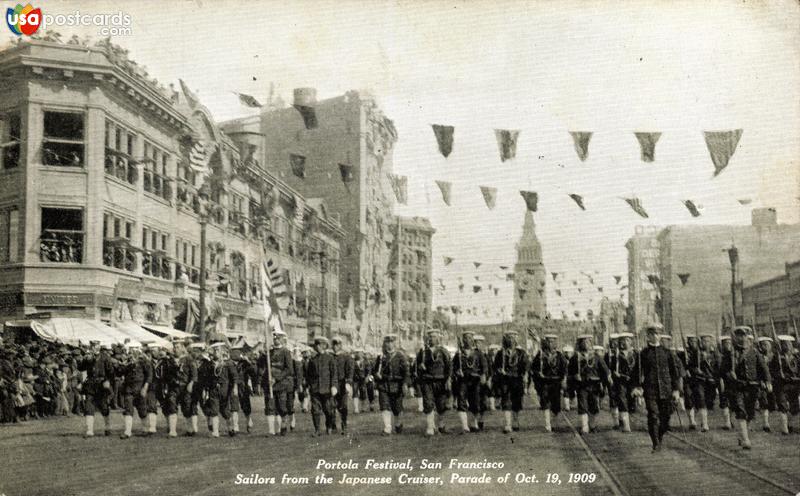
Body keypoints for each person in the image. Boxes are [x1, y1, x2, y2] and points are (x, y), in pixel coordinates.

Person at [720, 326, 771, 449]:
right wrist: (729, 375)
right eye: (739, 336)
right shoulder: (730, 354)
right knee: (741, 411)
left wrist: (767, 381)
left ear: (748, 337)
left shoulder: (754, 352)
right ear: (735, 337)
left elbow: (764, 368)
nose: (742, 338)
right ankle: (745, 439)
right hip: (737, 387)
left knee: (750, 413)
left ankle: (742, 434)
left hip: (752, 387)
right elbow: (721, 371)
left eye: (744, 336)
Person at [637, 324, 681, 452]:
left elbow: (674, 373)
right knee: (653, 416)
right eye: (652, 334)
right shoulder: (643, 354)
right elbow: (637, 373)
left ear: (660, 335)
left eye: (657, 334)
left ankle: (659, 436)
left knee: (665, 418)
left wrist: (676, 390)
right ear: (648, 336)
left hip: (666, 390)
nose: (655, 336)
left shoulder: (667, 353)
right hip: (650, 390)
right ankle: (655, 443)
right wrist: (637, 387)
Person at [569, 335, 611, 434]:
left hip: (594, 385)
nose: (586, 344)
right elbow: (569, 372)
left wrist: (608, 377)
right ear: (580, 344)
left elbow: (605, 369)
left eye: (588, 342)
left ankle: (592, 425)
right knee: (583, 405)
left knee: (594, 406)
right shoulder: (575, 358)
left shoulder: (596, 357)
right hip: (582, 385)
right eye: (584, 342)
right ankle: (584, 427)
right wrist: (574, 376)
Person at [258, 329, 295, 436]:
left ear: (282, 339)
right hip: (269, 383)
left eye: (278, 338)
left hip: (281, 384)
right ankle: (271, 430)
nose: (275, 340)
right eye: (274, 337)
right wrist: (263, 353)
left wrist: (277, 378)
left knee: (281, 407)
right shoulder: (269, 353)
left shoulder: (286, 352)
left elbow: (289, 370)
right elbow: (261, 365)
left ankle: (281, 427)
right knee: (270, 407)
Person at [416, 329, 452, 436]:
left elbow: (449, 366)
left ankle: (441, 426)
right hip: (427, 381)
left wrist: (448, 379)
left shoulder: (443, 351)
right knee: (428, 403)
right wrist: (420, 367)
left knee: (441, 405)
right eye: (430, 337)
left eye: (435, 337)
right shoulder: (423, 352)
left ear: (438, 338)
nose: (432, 339)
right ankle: (430, 427)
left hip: (440, 381)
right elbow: (416, 368)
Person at [452, 331, 488, 434]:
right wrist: (457, 372)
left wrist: (483, 375)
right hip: (463, 381)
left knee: (475, 402)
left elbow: (484, 366)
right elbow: (453, 367)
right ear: (463, 340)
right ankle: (464, 426)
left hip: (475, 380)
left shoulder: (478, 353)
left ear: (473, 340)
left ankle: (474, 423)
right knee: (462, 401)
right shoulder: (459, 354)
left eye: (470, 338)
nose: (468, 340)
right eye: (466, 338)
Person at [530, 334, 568, 433]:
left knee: (556, 407)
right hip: (545, 382)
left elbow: (564, 369)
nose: (550, 344)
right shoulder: (540, 355)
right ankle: (547, 424)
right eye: (549, 341)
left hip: (556, 382)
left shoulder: (559, 355)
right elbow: (533, 368)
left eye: (552, 341)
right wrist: (538, 374)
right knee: (545, 403)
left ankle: (553, 421)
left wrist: (563, 379)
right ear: (546, 343)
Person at [494, 330, 529, 433]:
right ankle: (508, 424)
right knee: (506, 401)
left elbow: (526, 365)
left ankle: (515, 420)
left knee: (517, 402)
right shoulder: (501, 353)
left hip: (517, 380)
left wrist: (525, 375)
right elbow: (496, 366)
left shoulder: (521, 353)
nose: (511, 340)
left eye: (514, 337)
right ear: (506, 339)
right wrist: (500, 370)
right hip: (505, 380)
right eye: (509, 337)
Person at [374, 334, 409, 436]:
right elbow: (375, 371)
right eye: (387, 342)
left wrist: (405, 384)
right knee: (384, 405)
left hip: (396, 385)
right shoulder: (380, 357)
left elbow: (406, 372)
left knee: (397, 408)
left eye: (391, 342)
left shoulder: (400, 356)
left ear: (395, 343)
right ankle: (387, 428)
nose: (389, 345)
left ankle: (398, 424)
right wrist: (377, 375)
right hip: (384, 385)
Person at [79, 342, 115, 437]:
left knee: (104, 407)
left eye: (96, 345)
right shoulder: (88, 356)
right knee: (88, 407)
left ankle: (107, 427)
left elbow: (111, 371)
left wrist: (107, 381)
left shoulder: (105, 357)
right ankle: (89, 430)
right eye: (93, 346)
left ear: (99, 346)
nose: (94, 347)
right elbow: (81, 368)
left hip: (101, 384)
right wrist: (84, 360)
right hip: (90, 384)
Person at [119, 342, 152, 439]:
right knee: (128, 409)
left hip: (140, 388)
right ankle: (127, 431)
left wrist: (145, 388)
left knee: (142, 410)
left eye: (134, 349)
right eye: (130, 349)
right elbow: (120, 372)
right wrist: (124, 364)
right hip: (129, 388)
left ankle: (145, 429)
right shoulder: (128, 361)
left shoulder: (144, 361)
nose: (132, 351)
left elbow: (149, 375)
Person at [305, 336, 337, 436]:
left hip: (327, 389)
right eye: (316, 345)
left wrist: (334, 386)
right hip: (315, 389)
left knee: (328, 410)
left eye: (319, 345)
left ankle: (329, 426)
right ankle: (317, 429)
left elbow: (334, 374)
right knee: (315, 410)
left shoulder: (330, 358)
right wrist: (308, 385)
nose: (317, 347)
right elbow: (308, 375)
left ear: (324, 346)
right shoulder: (312, 360)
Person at [154, 342, 181, 437]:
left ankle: (173, 430)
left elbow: (176, 373)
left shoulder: (172, 361)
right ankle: (169, 426)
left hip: (171, 387)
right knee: (164, 407)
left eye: (164, 350)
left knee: (172, 405)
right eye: (161, 350)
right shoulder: (160, 361)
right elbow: (156, 373)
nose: (162, 352)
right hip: (161, 387)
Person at [774, 335, 799, 434]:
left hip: (795, 384)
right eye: (784, 344)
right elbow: (773, 370)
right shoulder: (777, 358)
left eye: (788, 344)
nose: (787, 346)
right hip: (782, 385)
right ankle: (784, 428)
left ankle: (790, 424)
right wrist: (780, 376)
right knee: (783, 406)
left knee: (795, 407)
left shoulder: (796, 357)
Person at [232, 344, 258, 434]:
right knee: (234, 407)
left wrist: (249, 363)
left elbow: (254, 373)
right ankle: (235, 427)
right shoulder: (229, 363)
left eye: (237, 352)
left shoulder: (244, 364)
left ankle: (248, 421)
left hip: (243, 387)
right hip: (233, 387)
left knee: (246, 406)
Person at [331, 336, 354, 434]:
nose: (336, 347)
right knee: (331, 405)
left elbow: (350, 370)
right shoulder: (330, 356)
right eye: (334, 344)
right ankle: (333, 425)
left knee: (343, 405)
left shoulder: (346, 356)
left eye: (338, 344)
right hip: (332, 384)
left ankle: (344, 423)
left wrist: (348, 382)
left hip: (342, 383)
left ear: (341, 345)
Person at [178, 342, 202, 436]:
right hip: (181, 386)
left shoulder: (189, 359)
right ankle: (189, 429)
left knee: (191, 406)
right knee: (185, 407)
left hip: (189, 386)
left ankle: (193, 428)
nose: (176, 349)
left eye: (178, 346)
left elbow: (194, 373)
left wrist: (191, 383)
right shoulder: (179, 359)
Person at [756, 336, 778, 432]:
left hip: (775, 381)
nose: (765, 347)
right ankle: (766, 423)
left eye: (767, 344)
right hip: (762, 383)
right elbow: (757, 371)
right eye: (763, 345)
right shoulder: (758, 357)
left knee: (773, 403)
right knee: (764, 402)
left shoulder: (775, 356)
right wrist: (761, 381)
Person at [352, 349, 370, 414]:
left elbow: (368, 370)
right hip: (355, 379)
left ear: (362, 353)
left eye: (360, 352)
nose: (359, 354)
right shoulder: (353, 361)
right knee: (355, 392)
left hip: (363, 379)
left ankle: (363, 407)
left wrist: (367, 377)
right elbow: (351, 370)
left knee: (363, 392)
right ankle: (356, 408)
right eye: (357, 352)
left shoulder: (365, 361)